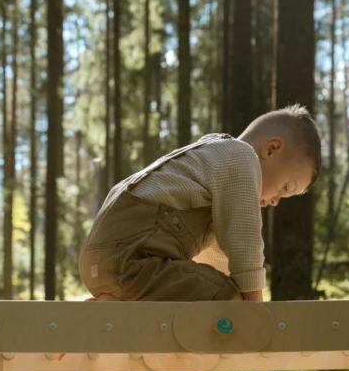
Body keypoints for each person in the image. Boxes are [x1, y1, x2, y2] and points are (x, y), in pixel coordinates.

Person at [79, 104, 320, 303]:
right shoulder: (241, 157)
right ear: (272, 149)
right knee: (229, 303)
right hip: (132, 256)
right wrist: (254, 307)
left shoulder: (212, 159)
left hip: (104, 260)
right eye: (285, 187)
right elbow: (244, 242)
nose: (277, 200)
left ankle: (104, 309)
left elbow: (216, 260)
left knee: (212, 292)